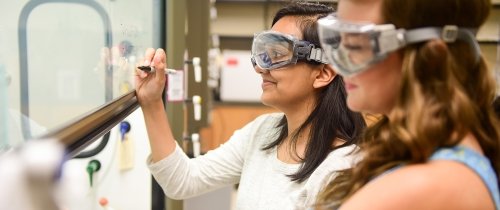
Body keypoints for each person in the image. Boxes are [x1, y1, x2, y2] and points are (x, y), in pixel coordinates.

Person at [135, 2, 366, 209]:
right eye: (262, 53)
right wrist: (152, 101)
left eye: (277, 54)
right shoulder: (263, 132)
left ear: (323, 73)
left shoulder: (341, 169)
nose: (260, 67)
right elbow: (182, 181)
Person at [315, 0, 500, 209]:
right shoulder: (442, 155)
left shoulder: (432, 184)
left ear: (432, 59)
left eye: (358, 45)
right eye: (338, 43)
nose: (338, 68)